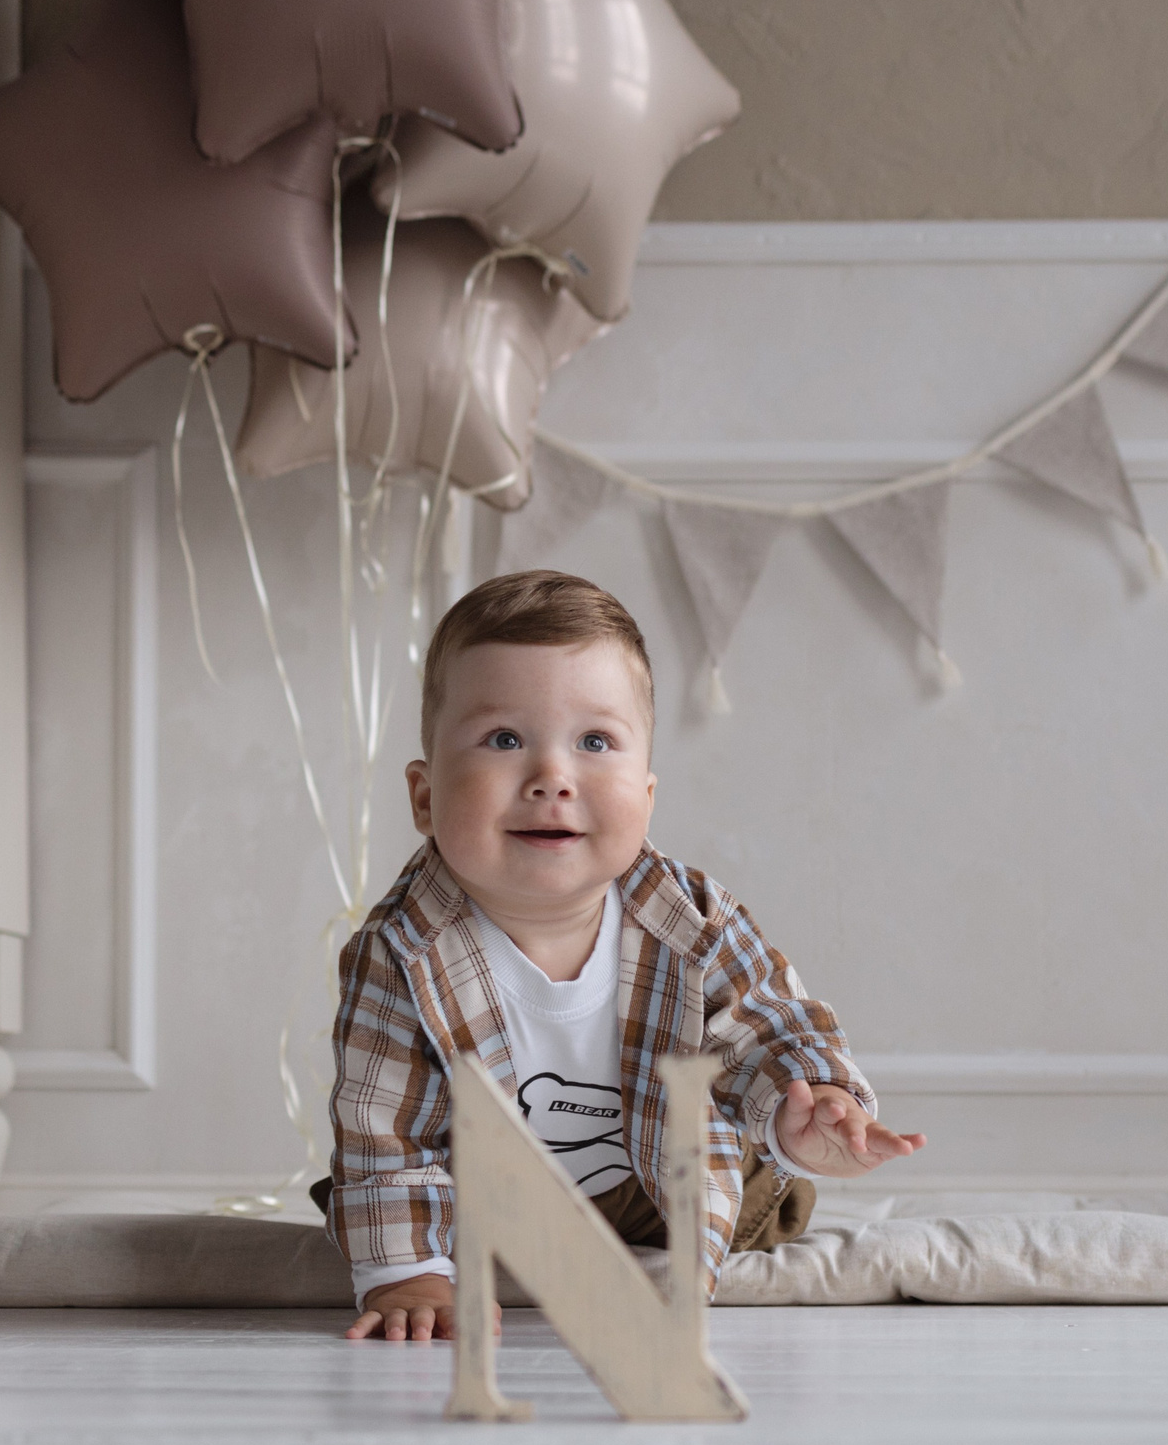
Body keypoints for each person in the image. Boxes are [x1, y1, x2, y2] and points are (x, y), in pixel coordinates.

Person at [322, 569, 926, 1341]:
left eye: (594, 742)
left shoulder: (690, 921)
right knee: (373, 1202)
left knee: (762, 1188)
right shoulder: (402, 952)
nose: (551, 778)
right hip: (497, 1196)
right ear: (425, 797)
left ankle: (778, 1158)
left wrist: (805, 1106)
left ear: (645, 795)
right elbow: (386, 1124)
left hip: (672, 1175)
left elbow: (768, 1023)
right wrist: (411, 1277)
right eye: (504, 739)